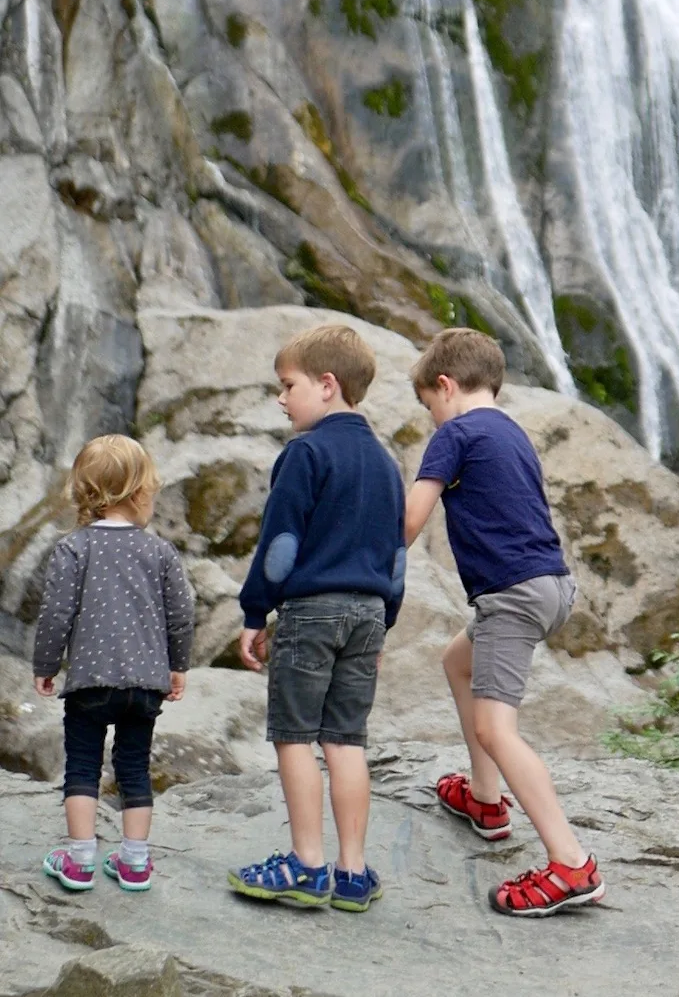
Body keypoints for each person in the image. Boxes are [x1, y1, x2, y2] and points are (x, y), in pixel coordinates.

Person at [405, 328, 604, 917]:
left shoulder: (455, 433)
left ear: (444, 386)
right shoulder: (511, 430)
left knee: (496, 728)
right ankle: (486, 801)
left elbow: (408, 523)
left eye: (427, 406)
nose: (431, 417)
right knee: (455, 661)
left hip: (511, 596)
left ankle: (571, 865)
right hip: (552, 585)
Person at [229, 323, 405, 912]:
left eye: (288, 385)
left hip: (310, 614)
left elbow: (280, 547)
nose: (281, 399)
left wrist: (255, 612)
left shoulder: (304, 453)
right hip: (369, 614)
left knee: (296, 738)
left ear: (326, 385)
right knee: (346, 741)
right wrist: (385, 623)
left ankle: (306, 866)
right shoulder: (384, 463)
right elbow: (396, 557)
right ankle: (352, 873)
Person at [33, 434, 194, 894]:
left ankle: (81, 860)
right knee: (134, 768)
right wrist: (177, 666)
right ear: (141, 492)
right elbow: (180, 614)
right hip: (145, 684)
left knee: (83, 765)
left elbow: (56, 613)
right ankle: (135, 863)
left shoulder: (74, 548)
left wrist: (46, 664)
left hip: (89, 683)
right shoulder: (159, 551)